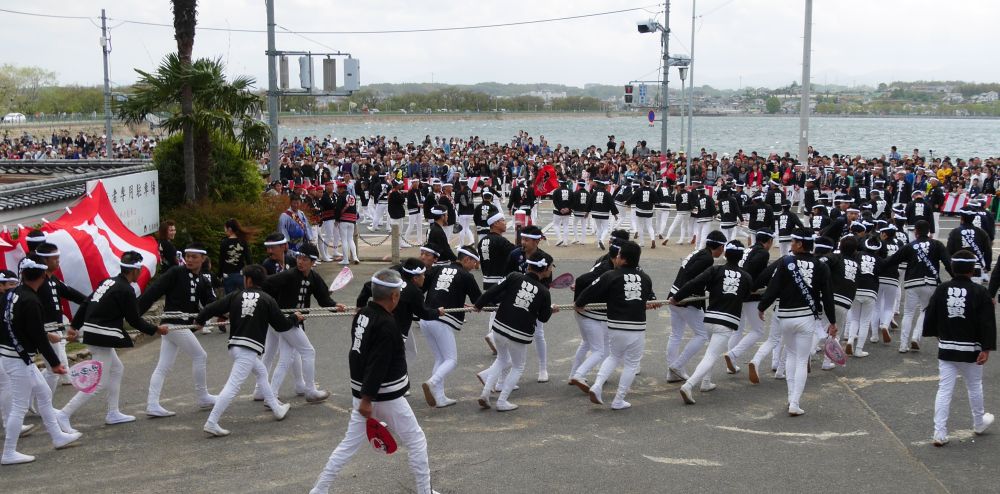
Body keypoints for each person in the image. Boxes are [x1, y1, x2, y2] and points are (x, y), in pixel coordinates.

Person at [310, 269, 438, 494]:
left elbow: (356, 354)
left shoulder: (363, 314)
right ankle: (424, 491)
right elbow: (378, 363)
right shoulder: (387, 324)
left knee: (348, 445)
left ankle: (319, 490)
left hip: (362, 393)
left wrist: (362, 395)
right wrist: (367, 399)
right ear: (394, 296)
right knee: (416, 440)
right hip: (383, 395)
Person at [58, 252, 169, 431]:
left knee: (117, 369)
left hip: (94, 332)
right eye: (140, 270)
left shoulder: (108, 282)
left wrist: (74, 326)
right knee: (99, 382)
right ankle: (64, 414)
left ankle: (113, 412)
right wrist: (156, 329)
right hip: (101, 336)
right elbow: (134, 320)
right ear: (135, 270)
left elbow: (86, 302)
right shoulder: (126, 289)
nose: (141, 273)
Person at [194, 265, 298, 436]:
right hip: (248, 349)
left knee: (261, 372)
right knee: (232, 386)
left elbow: (212, 308)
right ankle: (211, 422)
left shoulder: (236, 295)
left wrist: (200, 320)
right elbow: (282, 325)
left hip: (236, 346)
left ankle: (276, 408)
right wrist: (294, 317)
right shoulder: (268, 299)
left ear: (248, 280)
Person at [1, 256, 82, 465]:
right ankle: (9, 452)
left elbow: (19, 325)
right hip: (17, 358)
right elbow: (36, 335)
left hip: (13, 355)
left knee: (44, 393)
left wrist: (46, 335)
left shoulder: (13, 294)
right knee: (19, 406)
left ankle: (58, 436)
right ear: (43, 276)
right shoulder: (31, 301)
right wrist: (55, 363)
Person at [757, 229, 837, 416]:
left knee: (791, 356)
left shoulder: (786, 262)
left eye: (793, 241)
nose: (790, 244)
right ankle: (795, 402)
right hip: (806, 318)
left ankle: (790, 396)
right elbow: (827, 296)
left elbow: (773, 287)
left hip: (785, 317)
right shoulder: (821, 266)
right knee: (802, 360)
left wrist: (762, 306)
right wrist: (832, 321)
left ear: (800, 244)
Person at [137, 243, 218, 417]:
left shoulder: (203, 280)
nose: (189, 260)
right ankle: (203, 397)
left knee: (163, 366)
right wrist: (135, 315)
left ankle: (152, 404)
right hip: (173, 322)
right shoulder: (176, 272)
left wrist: (217, 315)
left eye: (194, 257)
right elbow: (154, 291)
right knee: (200, 356)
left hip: (177, 326)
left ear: (203, 259)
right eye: (187, 256)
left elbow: (211, 303)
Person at [924, 250, 996, 447]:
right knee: (974, 385)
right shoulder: (980, 292)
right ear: (972, 270)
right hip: (972, 349)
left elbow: (930, 315)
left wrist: (937, 334)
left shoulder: (942, 289)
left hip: (947, 348)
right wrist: (986, 348)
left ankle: (939, 432)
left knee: (944, 389)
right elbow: (987, 323)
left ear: (952, 268)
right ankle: (979, 423)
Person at [574, 241, 657, 410]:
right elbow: (648, 298)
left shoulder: (611, 275)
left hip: (615, 325)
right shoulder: (645, 278)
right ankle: (618, 400)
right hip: (636, 327)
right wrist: (651, 303)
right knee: (631, 364)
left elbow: (589, 291)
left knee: (613, 356)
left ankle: (597, 386)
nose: (616, 258)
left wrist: (579, 303)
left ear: (624, 259)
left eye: (618, 255)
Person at [671, 241, 752, 404]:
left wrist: (677, 297)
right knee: (711, 355)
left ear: (725, 254)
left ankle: (706, 382)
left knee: (710, 352)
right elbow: (746, 296)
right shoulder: (747, 277)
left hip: (709, 318)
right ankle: (689, 385)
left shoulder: (715, 270)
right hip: (727, 322)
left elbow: (694, 282)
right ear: (741, 257)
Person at [475, 251, 555, 411]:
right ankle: (502, 401)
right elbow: (544, 318)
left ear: (529, 266)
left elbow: (492, 291)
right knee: (518, 366)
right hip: (519, 333)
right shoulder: (544, 292)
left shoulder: (514, 276)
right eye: (551, 267)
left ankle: (485, 394)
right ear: (545, 269)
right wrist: (551, 309)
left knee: (501, 359)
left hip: (499, 326)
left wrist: (478, 305)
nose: (552, 269)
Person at [264, 243, 344, 402]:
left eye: (305, 259)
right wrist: (269, 306)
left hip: (293, 322)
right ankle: (310, 390)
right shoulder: (289, 275)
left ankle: (271, 395)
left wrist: (335, 306)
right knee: (308, 352)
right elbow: (266, 284)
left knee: (287, 357)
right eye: (299, 258)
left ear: (313, 262)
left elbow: (324, 299)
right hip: (286, 320)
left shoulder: (314, 278)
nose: (300, 261)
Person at [419, 246, 482, 408]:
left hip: (426, 317)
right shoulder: (466, 276)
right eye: (474, 262)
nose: (475, 266)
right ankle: (432, 382)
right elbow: (478, 300)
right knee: (451, 360)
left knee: (441, 359)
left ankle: (439, 397)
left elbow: (422, 288)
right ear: (466, 259)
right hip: (442, 319)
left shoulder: (438, 269)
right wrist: (482, 305)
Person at [882, 220, 953, 353]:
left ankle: (903, 345)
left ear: (916, 232)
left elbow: (892, 260)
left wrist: (877, 266)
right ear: (929, 232)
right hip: (931, 282)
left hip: (912, 282)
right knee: (925, 310)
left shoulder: (910, 246)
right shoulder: (937, 244)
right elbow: (948, 263)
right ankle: (916, 337)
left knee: (909, 313)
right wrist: (955, 277)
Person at [665, 230, 726, 382]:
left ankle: (672, 373)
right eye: (722, 247)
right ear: (719, 247)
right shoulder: (707, 259)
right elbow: (692, 277)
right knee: (702, 335)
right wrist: (681, 297)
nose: (723, 251)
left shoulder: (699, 252)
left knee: (675, 335)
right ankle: (677, 366)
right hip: (685, 300)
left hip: (675, 295)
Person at [32, 242, 88, 392]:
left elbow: (70, 293)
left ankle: (34, 393)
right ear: (44, 260)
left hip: (55, 328)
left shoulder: (52, 279)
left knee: (55, 368)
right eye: (55, 258)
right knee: (55, 368)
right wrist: (44, 332)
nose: (58, 261)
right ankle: (44, 401)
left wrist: (91, 302)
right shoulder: (38, 281)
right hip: (45, 330)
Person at [724, 230, 773, 373]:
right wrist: (754, 286)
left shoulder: (748, 249)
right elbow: (753, 271)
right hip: (751, 295)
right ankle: (733, 354)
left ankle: (731, 364)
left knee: (737, 330)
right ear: (769, 241)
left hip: (738, 292)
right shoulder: (763, 253)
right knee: (758, 330)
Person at [477, 212, 515, 355]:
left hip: (487, 279)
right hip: (500, 280)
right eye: (502, 221)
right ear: (495, 224)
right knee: (504, 310)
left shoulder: (482, 241)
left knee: (494, 310)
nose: (505, 223)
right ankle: (494, 337)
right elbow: (516, 253)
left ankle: (493, 338)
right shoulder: (501, 241)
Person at [219, 219, 255, 295]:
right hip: (241, 274)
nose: (225, 231)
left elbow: (221, 260)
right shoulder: (243, 241)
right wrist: (251, 273)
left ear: (229, 229)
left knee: (230, 298)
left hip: (228, 275)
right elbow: (248, 259)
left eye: (225, 228)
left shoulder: (224, 242)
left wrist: (219, 275)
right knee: (242, 296)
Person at [334, 182, 360, 265]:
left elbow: (338, 209)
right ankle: (355, 257)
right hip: (352, 220)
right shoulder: (352, 196)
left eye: (338, 188)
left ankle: (345, 259)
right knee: (350, 239)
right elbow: (355, 209)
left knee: (344, 240)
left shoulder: (341, 196)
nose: (337, 190)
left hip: (344, 220)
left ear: (342, 189)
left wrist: (337, 219)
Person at [551, 179, 573, 247]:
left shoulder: (556, 191)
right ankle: (565, 242)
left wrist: (560, 209)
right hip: (567, 211)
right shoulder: (570, 191)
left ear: (560, 183)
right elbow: (573, 201)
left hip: (557, 211)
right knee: (566, 226)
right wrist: (568, 208)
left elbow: (554, 201)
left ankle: (559, 238)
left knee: (556, 225)